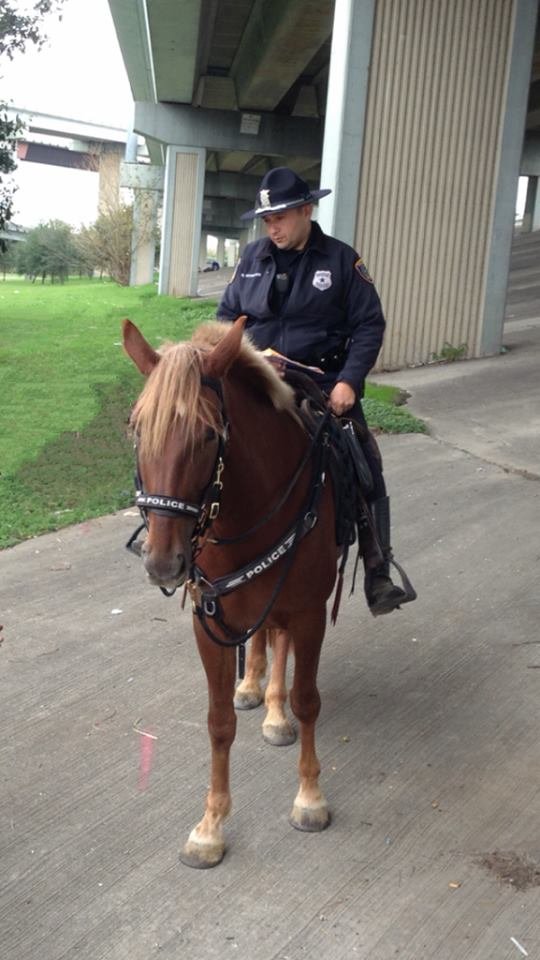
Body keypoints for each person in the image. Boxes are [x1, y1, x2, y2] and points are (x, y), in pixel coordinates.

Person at [217, 166, 416, 616]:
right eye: (267, 220)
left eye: (282, 217)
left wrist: (349, 381)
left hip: (323, 386)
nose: (273, 227)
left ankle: (377, 566)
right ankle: (195, 553)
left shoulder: (343, 261)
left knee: (364, 459)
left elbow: (369, 324)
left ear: (307, 210)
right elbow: (226, 318)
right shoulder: (251, 260)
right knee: (204, 445)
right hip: (258, 384)